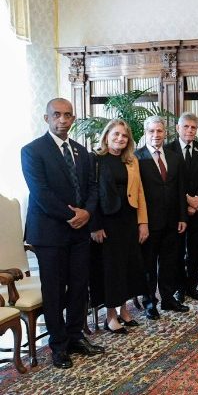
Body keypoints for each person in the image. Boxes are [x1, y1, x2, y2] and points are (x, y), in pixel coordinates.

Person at [21, 98, 104, 369]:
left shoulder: (82, 152)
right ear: (47, 118)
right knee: (55, 290)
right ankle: (58, 345)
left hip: (79, 233)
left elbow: (92, 188)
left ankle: (75, 336)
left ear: (73, 118)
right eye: (57, 115)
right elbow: (41, 193)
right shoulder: (32, 151)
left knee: (79, 287)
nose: (63, 120)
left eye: (68, 115)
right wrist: (72, 216)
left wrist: (87, 213)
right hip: (50, 233)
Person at [89, 119, 149, 334]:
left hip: (128, 219)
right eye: (116, 134)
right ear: (106, 136)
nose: (120, 138)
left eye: (124, 136)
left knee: (128, 267)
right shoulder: (95, 159)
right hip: (107, 222)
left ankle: (124, 311)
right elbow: (91, 194)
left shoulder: (132, 161)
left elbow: (139, 192)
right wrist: (95, 225)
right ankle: (110, 316)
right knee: (111, 269)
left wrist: (143, 222)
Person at [135, 116, 188, 319]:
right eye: (152, 131)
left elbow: (180, 189)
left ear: (165, 133)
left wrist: (183, 217)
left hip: (172, 221)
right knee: (148, 265)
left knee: (169, 263)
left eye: (159, 131)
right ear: (145, 133)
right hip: (149, 223)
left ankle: (168, 298)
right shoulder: (136, 158)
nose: (156, 135)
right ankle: (150, 302)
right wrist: (141, 222)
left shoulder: (174, 157)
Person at [166, 113, 198, 303]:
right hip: (176, 209)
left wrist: (197, 201)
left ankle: (192, 287)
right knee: (177, 251)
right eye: (186, 127)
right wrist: (187, 201)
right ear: (178, 128)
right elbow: (169, 180)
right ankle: (179, 287)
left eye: (193, 127)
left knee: (194, 250)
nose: (190, 130)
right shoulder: (168, 149)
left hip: (197, 209)